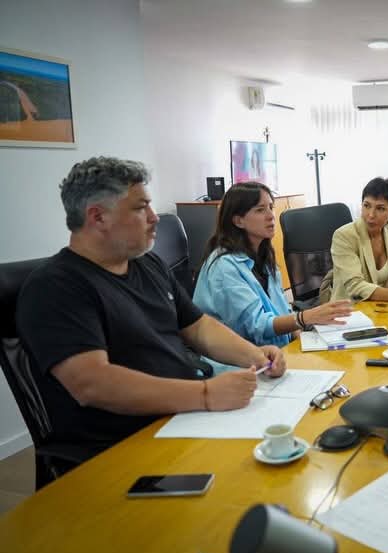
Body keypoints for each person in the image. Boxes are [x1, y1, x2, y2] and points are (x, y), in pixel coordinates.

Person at [16, 157, 286, 465]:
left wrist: (253, 355)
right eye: (140, 207)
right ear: (98, 217)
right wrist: (206, 394)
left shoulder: (149, 264)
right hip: (126, 443)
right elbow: (92, 383)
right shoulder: (56, 287)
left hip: (183, 417)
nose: (154, 217)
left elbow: (198, 327)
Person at [193, 182, 352, 346]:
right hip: (243, 362)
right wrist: (305, 318)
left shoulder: (263, 255)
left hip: (276, 353)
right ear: (238, 221)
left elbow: (283, 311)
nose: (271, 216)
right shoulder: (224, 267)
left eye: (271, 207)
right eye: (260, 210)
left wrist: (305, 343)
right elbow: (255, 325)